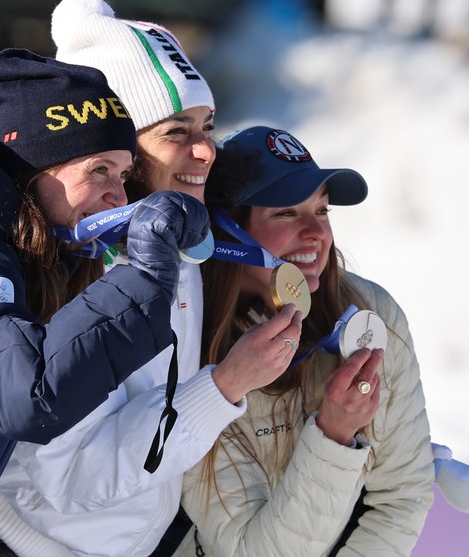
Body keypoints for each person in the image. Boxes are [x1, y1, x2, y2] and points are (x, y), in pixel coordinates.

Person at [0, 0, 303, 557]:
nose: (206, 151)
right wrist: (227, 383)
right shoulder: (63, 269)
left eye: (208, 126)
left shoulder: (176, 235)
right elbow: (78, 477)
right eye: (177, 131)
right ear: (116, 143)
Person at [0, 47, 211, 556]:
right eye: (99, 170)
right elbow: (24, 395)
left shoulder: (5, 247)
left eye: (124, 176)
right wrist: (147, 274)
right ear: (34, 170)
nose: (119, 200)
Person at [175, 126, 435, 555]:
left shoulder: (374, 312)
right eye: (285, 213)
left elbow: (403, 497)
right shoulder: (190, 346)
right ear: (227, 234)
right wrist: (334, 435)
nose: (317, 234)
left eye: (323, 211)